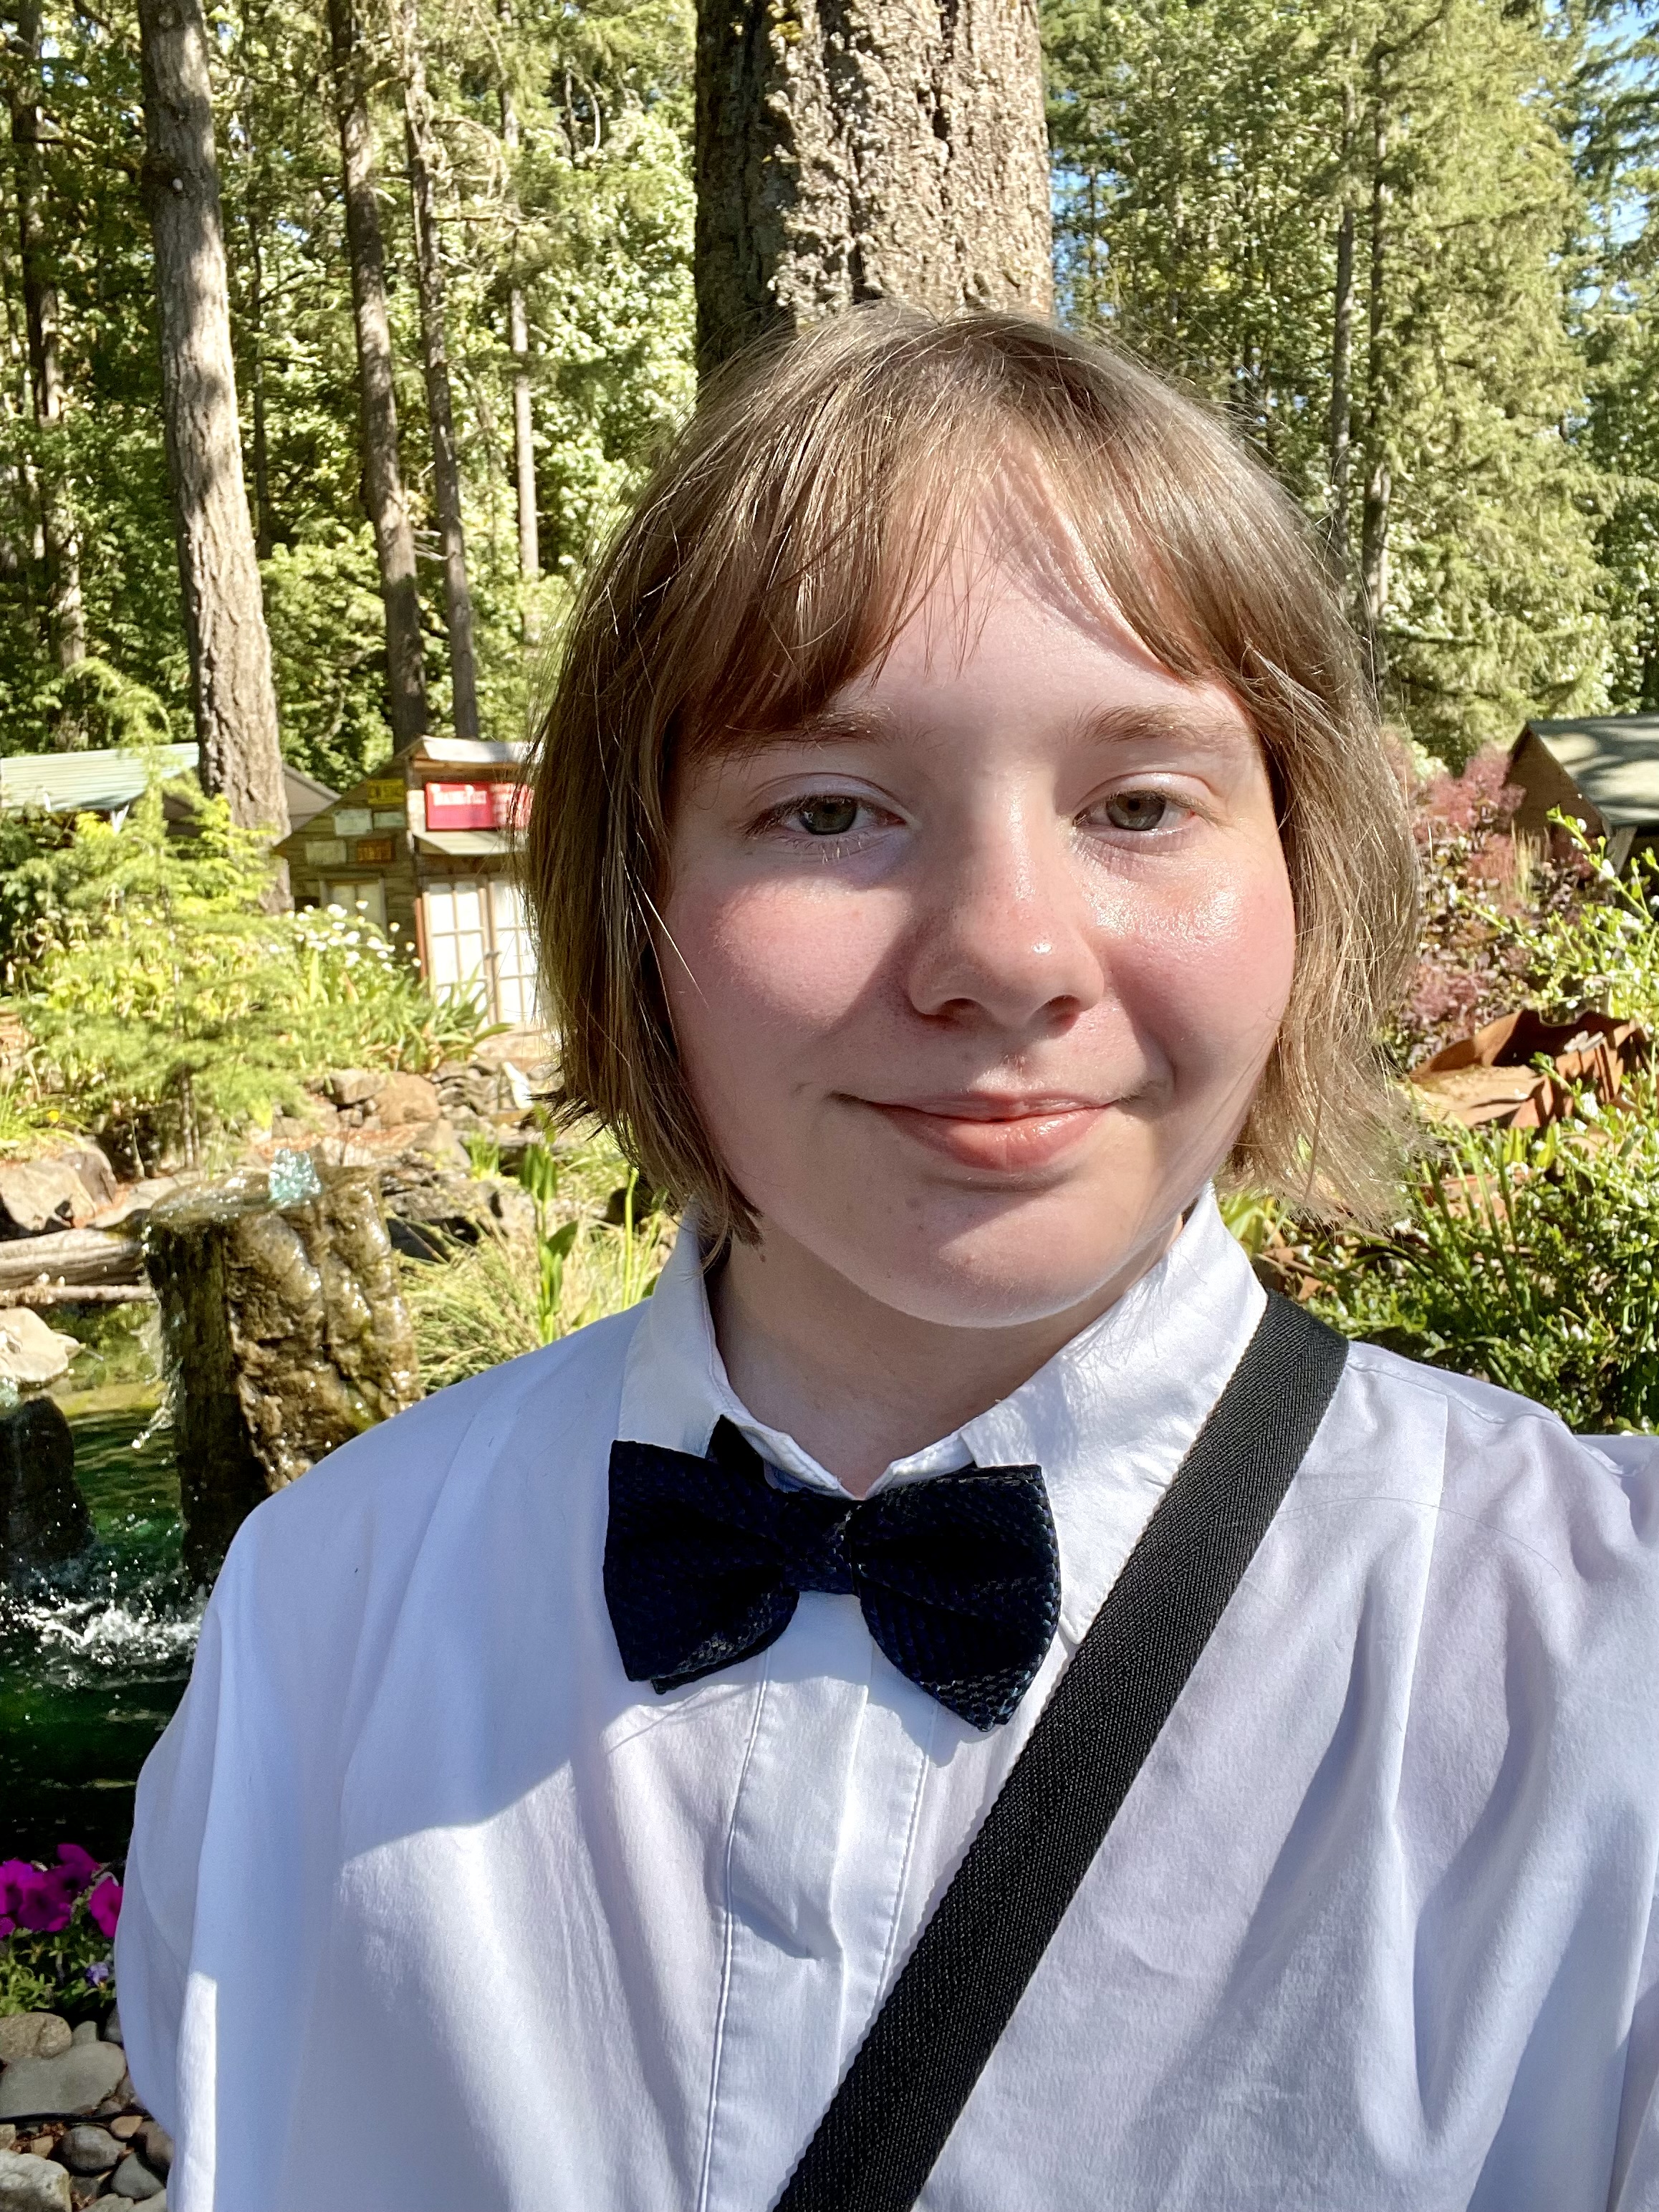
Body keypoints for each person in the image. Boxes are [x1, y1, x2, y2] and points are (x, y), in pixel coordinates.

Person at [117, 309, 1659, 2212]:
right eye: (829, 809)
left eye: (1138, 802)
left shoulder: (1598, 1660)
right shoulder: (323, 1617)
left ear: (1300, 880)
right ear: (638, 897)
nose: (1006, 954)